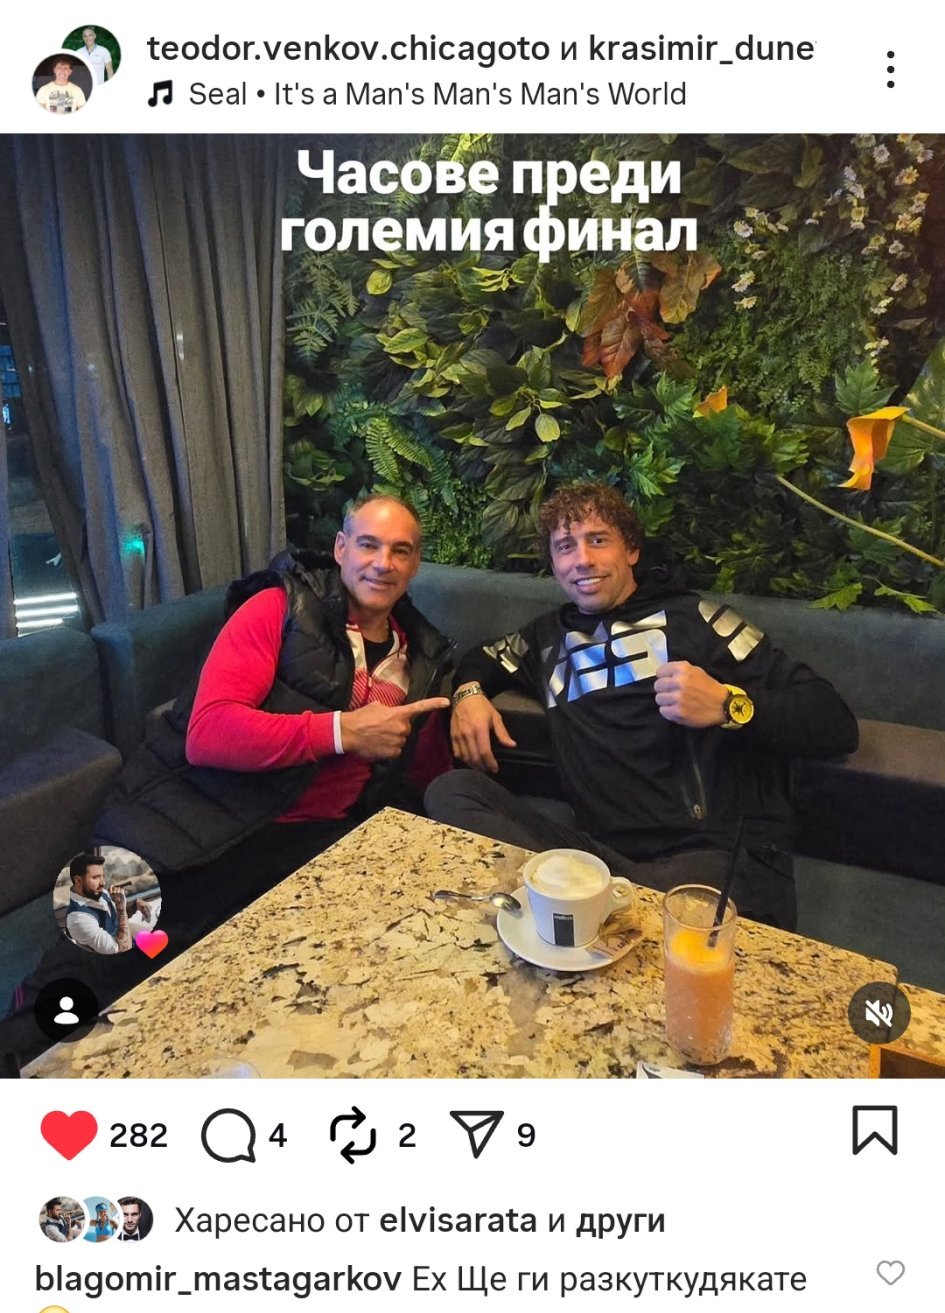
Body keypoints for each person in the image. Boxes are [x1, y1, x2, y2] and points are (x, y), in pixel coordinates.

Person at [1, 495, 451, 1067]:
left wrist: (470, 694)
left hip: (300, 847)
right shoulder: (278, 606)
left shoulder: (421, 657)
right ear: (341, 548)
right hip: (185, 811)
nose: (382, 562)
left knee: (201, 1005)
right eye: (368, 544)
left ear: (415, 565)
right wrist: (342, 731)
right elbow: (208, 732)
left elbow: (424, 769)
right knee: (66, 992)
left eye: (400, 551)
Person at [426, 482, 859, 930]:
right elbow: (483, 659)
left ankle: (578, 919)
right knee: (452, 791)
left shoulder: (699, 621)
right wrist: (469, 693)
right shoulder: (545, 639)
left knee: (646, 937)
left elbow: (834, 722)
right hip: (601, 863)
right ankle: (588, 915)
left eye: (598, 540)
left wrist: (729, 705)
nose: (583, 560)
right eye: (566, 547)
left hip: (708, 857)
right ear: (554, 565)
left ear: (631, 550)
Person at [64, 854, 132, 954]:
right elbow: (121, 950)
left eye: (102, 876)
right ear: (78, 880)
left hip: (125, 937)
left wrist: (135, 905)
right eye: (95, 877)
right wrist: (121, 910)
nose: (103, 882)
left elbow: (114, 919)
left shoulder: (98, 892)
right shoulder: (77, 919)